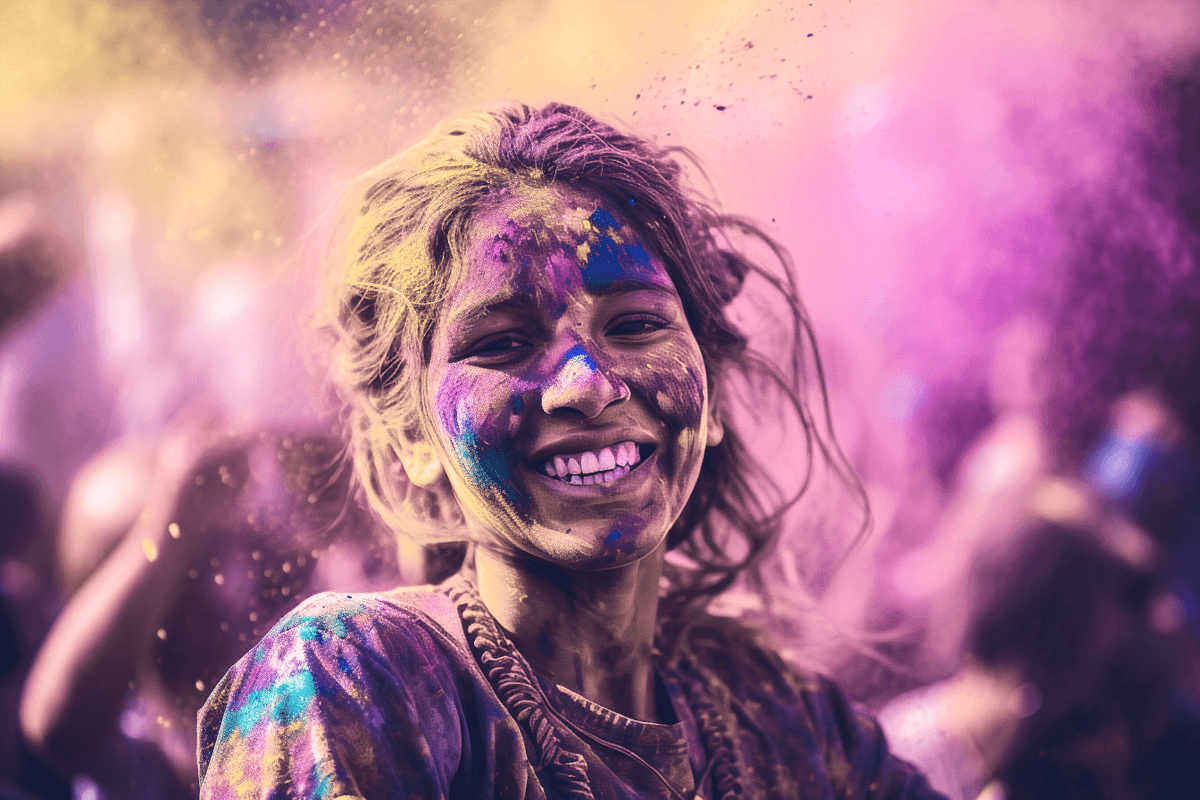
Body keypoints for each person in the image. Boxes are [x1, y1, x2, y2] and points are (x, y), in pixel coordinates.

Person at [196, 102, 943, 800]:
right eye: (503, 343)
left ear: (709, 388)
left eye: (636, 325)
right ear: (413, 437)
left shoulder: (786, 722)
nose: (588, 385)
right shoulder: (350, 682)